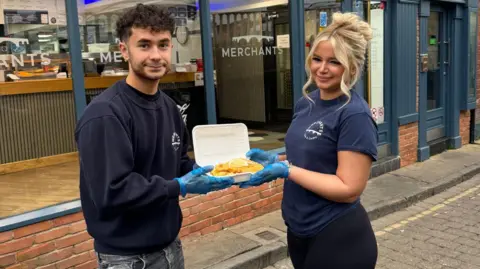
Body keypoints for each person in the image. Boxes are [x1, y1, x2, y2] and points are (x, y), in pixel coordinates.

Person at [74, 4, 234, 269]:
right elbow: (112, 192)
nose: (156, 55)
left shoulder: (169, 107)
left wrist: (212, 171)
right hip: (127, 258)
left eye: (163, 44)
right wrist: (179, 187)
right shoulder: (105, 114)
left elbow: (178, 160)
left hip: (170, 246)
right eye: (144, 45)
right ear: (124, 50)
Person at [241, 12, 378, 269]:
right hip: (298, 228)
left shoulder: (354, 114)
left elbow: (349, 189)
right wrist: (276, 161)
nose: (322, 69)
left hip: (337, 234)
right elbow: (305, 160)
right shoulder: (307, 103)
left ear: (352, 67)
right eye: (317, 59)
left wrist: (286, 170)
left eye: (334, 62)